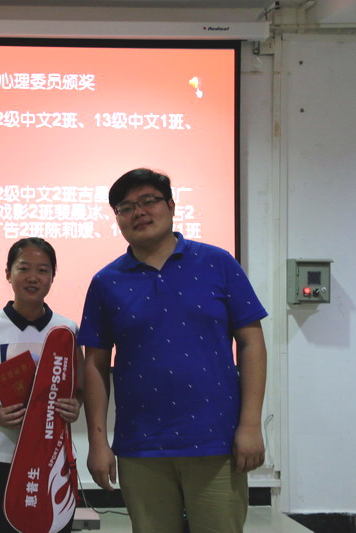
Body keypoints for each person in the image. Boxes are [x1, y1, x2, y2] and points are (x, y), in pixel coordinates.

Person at [79, 168, 268, 533]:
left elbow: (251, 343)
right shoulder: (106, 282)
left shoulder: (218, 263)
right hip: (141, 446)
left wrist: (250, 425)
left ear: (170, 205)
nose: (138, 212)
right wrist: (98, 442)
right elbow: (95, 365)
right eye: (125, 207)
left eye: (148, 201)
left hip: (216, 440)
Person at [0, 237, 82, 533]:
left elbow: (78, 387)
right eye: (24, 268)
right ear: (8, 273)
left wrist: (75, 405)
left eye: (42, 270)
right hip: (0, 458)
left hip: (53, 457)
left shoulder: (66, 329)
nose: (33, 277)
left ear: (52, 276)